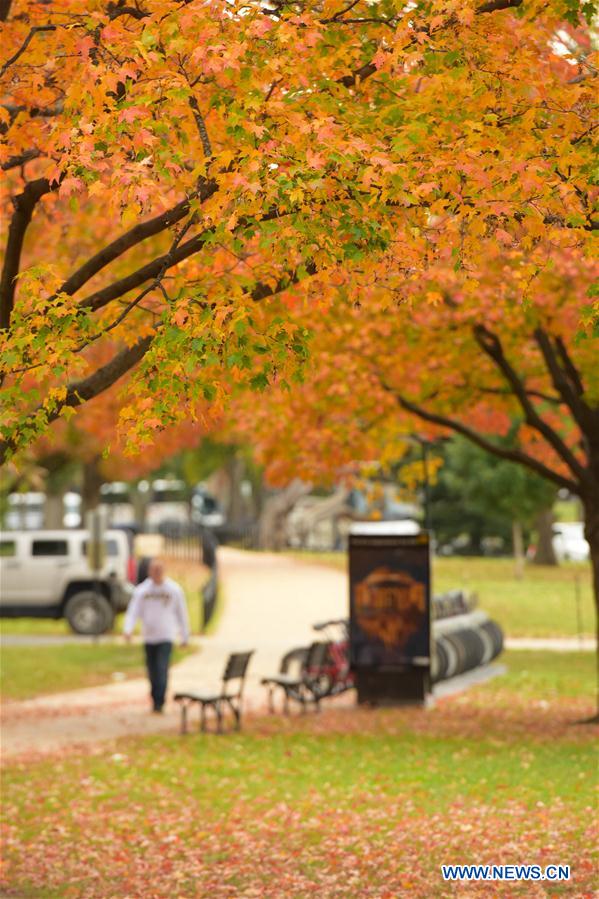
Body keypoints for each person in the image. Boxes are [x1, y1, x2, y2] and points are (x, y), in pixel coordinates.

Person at [123, 558, 190, 713]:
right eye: (154, 570)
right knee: (152, 670)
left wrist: (184, 635)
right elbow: (133, 611)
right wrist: (128, 629)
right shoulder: (142, 590)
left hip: (166, 635)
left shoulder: (174, 590)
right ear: (149, 571)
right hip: (149, 636)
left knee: (161, 667)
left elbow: (181, 613)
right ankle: (155, 698)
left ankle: (160, 701)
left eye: (159, 569)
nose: (157, 573)